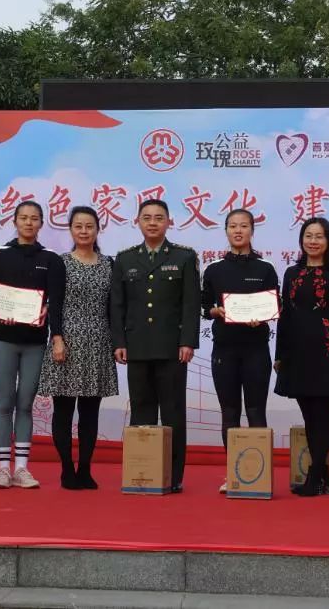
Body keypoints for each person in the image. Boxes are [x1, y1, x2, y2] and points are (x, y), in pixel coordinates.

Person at [111, 199, 199, 493]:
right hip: (136, 346)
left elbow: (190, 304)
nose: (152, 223)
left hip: (172, 348)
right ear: (137, 221)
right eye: (146, 217)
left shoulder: (184, 256)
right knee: (141, 410)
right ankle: (143, 471)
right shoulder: (125, 259)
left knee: (173, 412)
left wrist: (188, 341)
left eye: (159, 218)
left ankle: (173, 476)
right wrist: (119, 341)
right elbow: (118, 305)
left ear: (168, 222)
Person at [0, 200, 64, 490]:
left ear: (41, 223)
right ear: (15, 221)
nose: (29, 223)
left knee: (25, 404)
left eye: (34, 218)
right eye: (24, 218)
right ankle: (3, 470)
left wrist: (47, 312)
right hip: (4, 339)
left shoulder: (51, 258)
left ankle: (21, 469)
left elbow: (57, 300)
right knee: (5, 403)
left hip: (35, 343)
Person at [38, 206, 118, 490]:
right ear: (71, 229)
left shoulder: (110, 264)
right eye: (78, 226)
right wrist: (57, 338)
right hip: (67, 342)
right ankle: (66, 469)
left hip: (98, 342)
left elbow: (114, 308)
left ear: (98, 229)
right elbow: (54, 304)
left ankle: (85, 469)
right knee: (63, 411)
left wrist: (117, 343)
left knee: (90, 413)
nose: (84, 231)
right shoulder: (60, 263)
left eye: (89, 226)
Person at [274, 217, 329, 497]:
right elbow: (284, 315)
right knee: (308, 413)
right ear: (301, 240)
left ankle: (315, 474)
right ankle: (322, 474)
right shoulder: (291, 272)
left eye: (319, 236)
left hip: (327, 348)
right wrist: (279, 354)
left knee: (321, 411)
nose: (313, 241)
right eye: (308, 235)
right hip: (296, 349)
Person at [201, 208, 279, 493]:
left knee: (256, 411)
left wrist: (264, 315)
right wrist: (215, 311)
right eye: (232, 226)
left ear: (252, 231)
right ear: (226, 231)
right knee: (230, 412)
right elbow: (204, 306)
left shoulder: (265, 268)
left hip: (256, 350)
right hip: (225, 350)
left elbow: (275, 305)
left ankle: (259, 476)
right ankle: (233, 473)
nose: (238, 231)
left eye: (243, 226)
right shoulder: (214, 269)